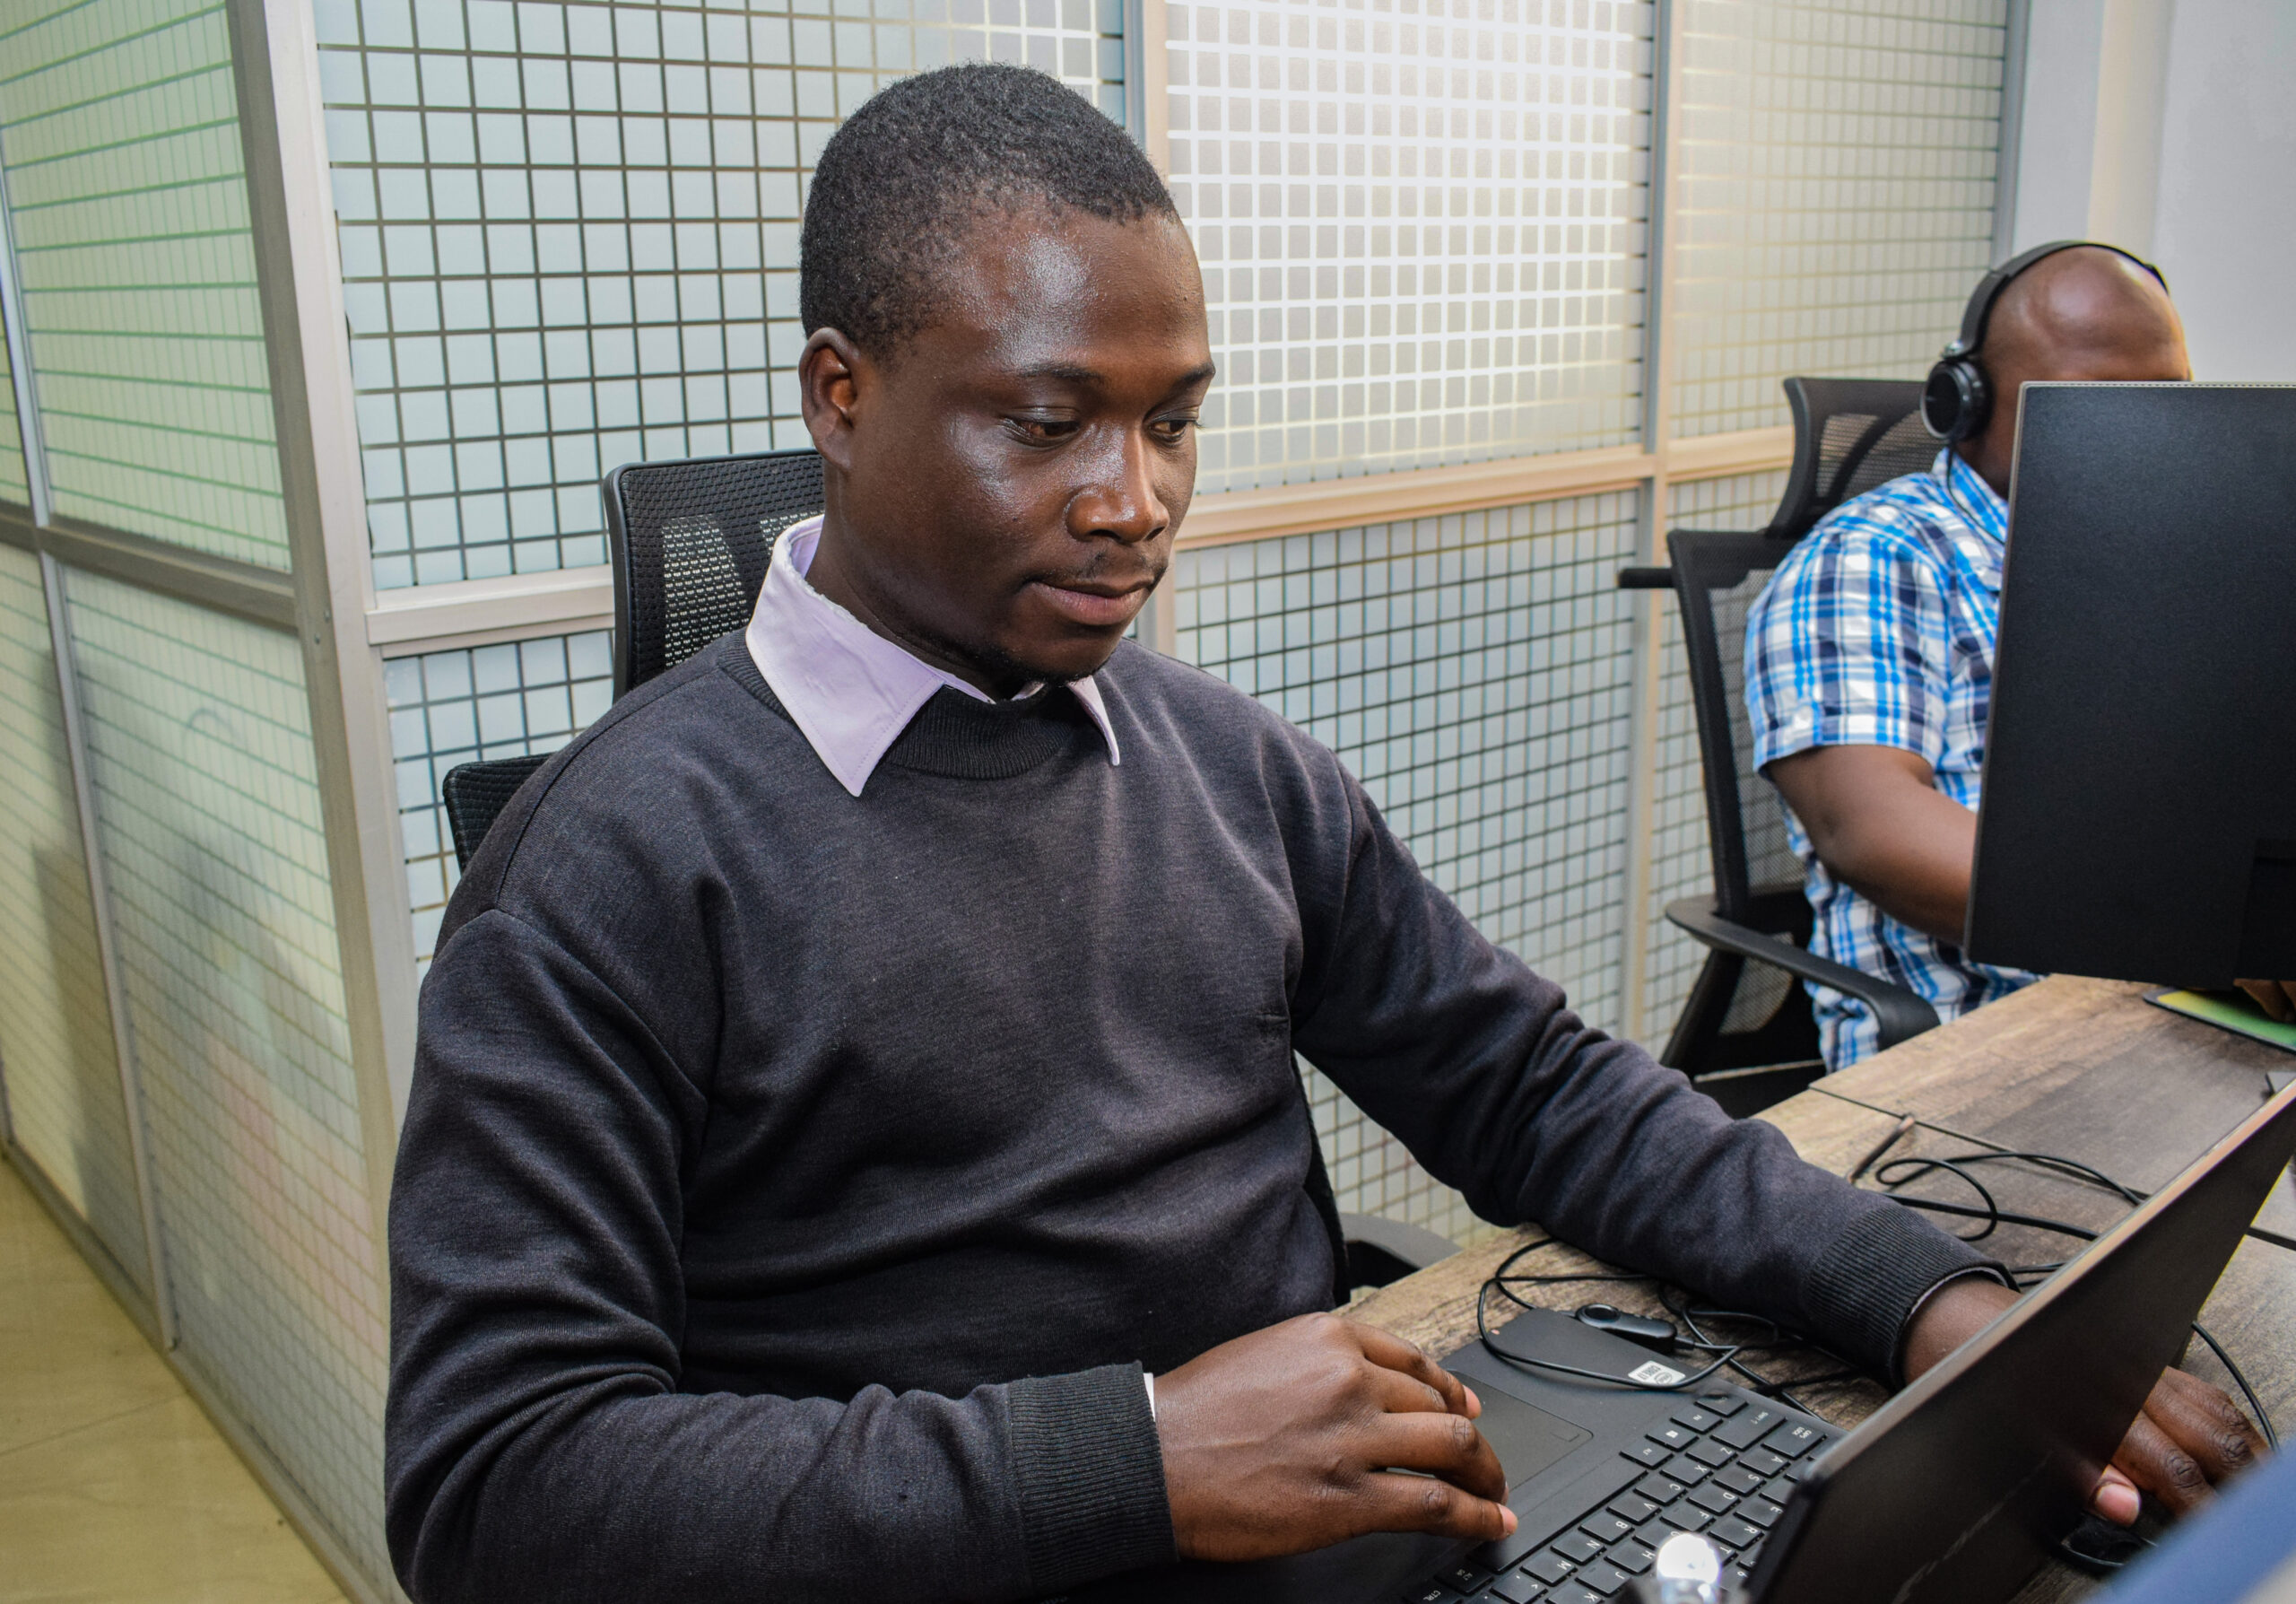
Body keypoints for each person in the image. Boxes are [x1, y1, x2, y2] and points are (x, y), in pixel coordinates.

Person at [384, 71, 2262, 1604]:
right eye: (1047, 422)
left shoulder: (1225, 766)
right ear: (839, 395)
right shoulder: (610, 869)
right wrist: (1136, 1457)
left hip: (1320, 1538)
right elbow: (494, 1489)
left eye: (1172, 423)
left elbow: (1534, 1090)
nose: (1134, 501)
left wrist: (1924, 1298)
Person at [1744, 246, 2296, 1066]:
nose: (2144, 432)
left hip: (2187, 1013)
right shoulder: (1873, 556)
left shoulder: (2185, 548)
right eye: (2098, 402)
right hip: (1988, 1050)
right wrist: (2201, 929)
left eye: (2170, 397)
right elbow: (1868, 829)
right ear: (1965, 404)